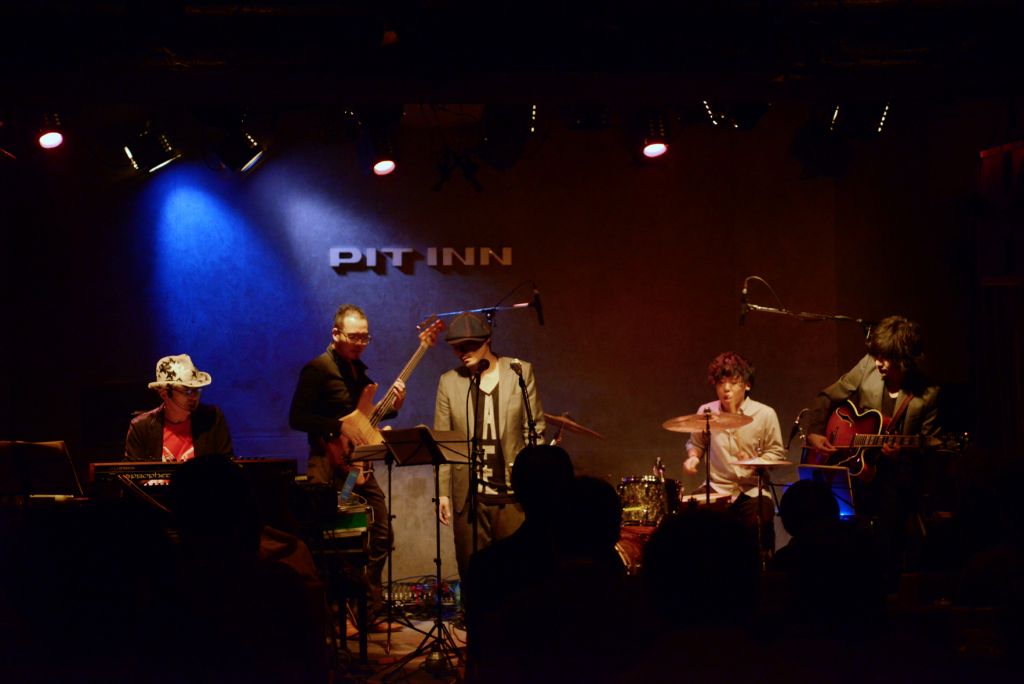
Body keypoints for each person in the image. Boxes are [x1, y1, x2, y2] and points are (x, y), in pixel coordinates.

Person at [288, 303, 405, 630]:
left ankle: (366, 612)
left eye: (365, 337)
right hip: (328, 465)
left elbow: (364, 418)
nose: (360, 343)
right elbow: (297, 417)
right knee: (337, 542)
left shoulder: (358, 372)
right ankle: (339, 617)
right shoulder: (317, 370)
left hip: (356, 468)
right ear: (335, 333)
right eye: (354, 336)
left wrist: (393, 407)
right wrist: (337, 426)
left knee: (380, 533)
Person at [804, 315, 940, 580]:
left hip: (897, 481)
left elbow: (929, 450)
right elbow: (828, 395)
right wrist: (815, 432)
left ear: (904, 358)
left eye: (886, 358)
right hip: (856, 470)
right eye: (877, 355)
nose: (878, 362)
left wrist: (901, 456)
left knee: (887, 529)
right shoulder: (868, 365)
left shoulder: (928, 394)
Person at [434, 311, 546, 581]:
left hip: (512, 494)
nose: (463, 352)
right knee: (474, 575)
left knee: (518, 576)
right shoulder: (449, 382)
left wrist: (533, 486)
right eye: (457, 347)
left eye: (470, 345)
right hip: (469, 497)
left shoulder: (519, 371)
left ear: (488, 341)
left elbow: (535, 431)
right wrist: (443, 493)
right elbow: (443, 443)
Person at [682, 351, 785, 551]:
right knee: (691, 518)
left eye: (733, 382)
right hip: (716, 488)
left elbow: (776, 453)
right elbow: (696, 444)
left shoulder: (765, 414)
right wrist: (693, 457)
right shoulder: (706, 412)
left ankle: (762, 564)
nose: (726, 388)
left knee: (760, 522)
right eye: (721, 383)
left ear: (747, 385)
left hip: (751, 490)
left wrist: (754, 461)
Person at [125, 354, 233, 461]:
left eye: (197, 390)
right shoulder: (141, 427)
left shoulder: (213, 418)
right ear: (164, 393)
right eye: (187, 391)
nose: (194, 396)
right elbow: (133, 470)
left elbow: (227, 465)